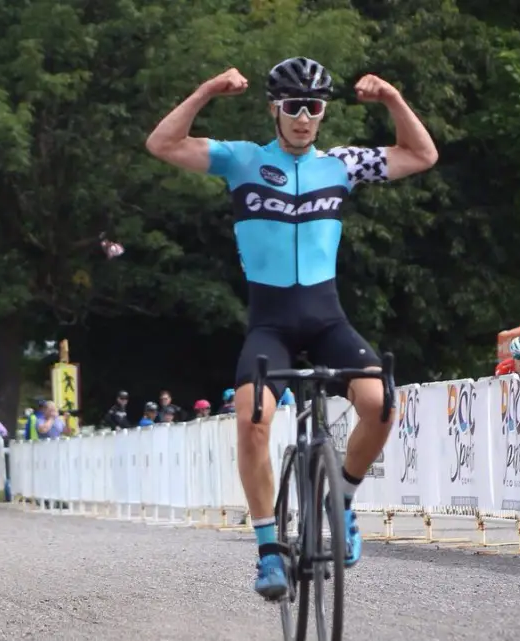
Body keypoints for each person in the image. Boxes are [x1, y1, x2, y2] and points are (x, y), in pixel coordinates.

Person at [145, 57, 437, 600]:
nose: (304, 118)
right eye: (293, 107)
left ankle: (341, 502)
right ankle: (267, 552)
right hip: (271, 322)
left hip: (327, 319)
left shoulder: (342, 164)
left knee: (381, 403)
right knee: (253, 419)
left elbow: (422, 154)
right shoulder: (241, 160)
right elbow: (162, 143)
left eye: (315, 107)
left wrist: (393, 98)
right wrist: (208, 88)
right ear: (274, 110)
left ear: (324, 113)